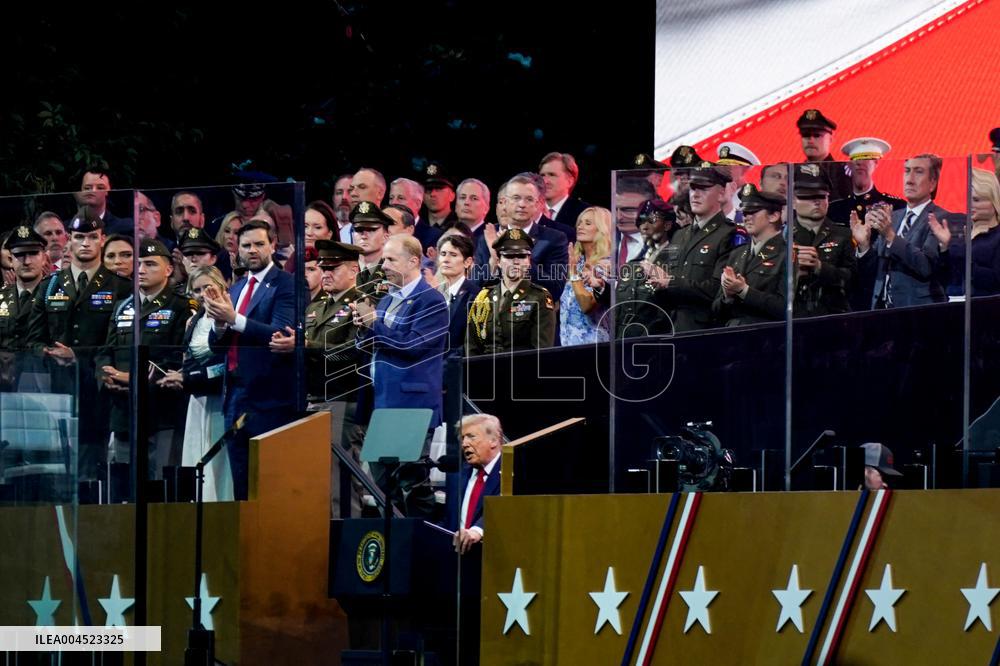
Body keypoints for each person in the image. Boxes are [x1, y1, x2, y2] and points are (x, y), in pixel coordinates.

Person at [26, 213, 132, 480]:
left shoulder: (120, 286)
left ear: (102, 240)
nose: (85, 243)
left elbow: (120, 342)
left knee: (95, 468)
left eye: (92, 237)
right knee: (61, 469)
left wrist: (78, 355)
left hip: (100, 390)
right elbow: (32, 339)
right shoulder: (50, 285)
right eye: (79, 237)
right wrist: (48, 353)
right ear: (69, 242)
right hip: (58, 388)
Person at [350, 234, 449, 516]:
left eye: (391, 259)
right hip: (383, 403)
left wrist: (373, 324)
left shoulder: (430, 301)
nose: (384, 265)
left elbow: (411, 346)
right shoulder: (386, 300)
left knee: (411, 483)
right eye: (383, 259)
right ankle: (396, 544)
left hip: (411, 406)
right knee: (382, 485)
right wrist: (363, 328)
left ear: (414, 261)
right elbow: (373, 344)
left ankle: (424, 543)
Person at [204, 219, 296, 500]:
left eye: (259, 244)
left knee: (269, 482)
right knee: (241, 482)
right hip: (234, 394)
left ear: (273, 246)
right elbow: (216, 344)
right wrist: (220, 324)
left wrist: (234, 319)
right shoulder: (236, 287)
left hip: (269, 398)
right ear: (237, 250)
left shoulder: (286, 284)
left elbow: (280, 333)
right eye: (246, 245)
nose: (252, 250)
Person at [98, 240, 194, 481]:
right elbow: (106, 350)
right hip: (124, 410)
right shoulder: (122, 307)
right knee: (124, 486)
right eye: (138, 264)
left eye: (150, 264)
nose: (140, 270)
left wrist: (134, 379)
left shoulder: (181, 306)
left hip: (161, 411)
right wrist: (105, 375)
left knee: (160, 485)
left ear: (169, 269)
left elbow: (177, 358)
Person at [158, 265, 232, 501]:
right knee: (195, 458)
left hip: (219, 401)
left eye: (207, 287)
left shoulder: (231, 316)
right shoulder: (195, 319)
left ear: (221, 285)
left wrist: (190, 378)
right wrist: (178, 374)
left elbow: (228, 365)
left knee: (217, 467)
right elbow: (190, 359)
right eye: (197, 290)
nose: (202, 294)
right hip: (197, 401)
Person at [853, 154, 951, 309]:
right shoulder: (894, 217)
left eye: (918, 172)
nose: (909, 179)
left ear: (933, 182)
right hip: (882, 311)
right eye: (906, 171)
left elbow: (926, 267)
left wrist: (891, 236)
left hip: (918, 314)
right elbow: (874, 269)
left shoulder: (940, 218)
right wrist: (864, 245)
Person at [646, 163, 736, 332]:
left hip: (705, 331)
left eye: (703, 188)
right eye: (693, 188)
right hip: (672, 328)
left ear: (722, 192)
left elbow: (717, 291)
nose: (695, 194)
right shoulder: (680, 235)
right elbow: (667, 285)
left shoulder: (729, 234)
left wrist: (669, 282)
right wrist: (656, 284)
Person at [473, 174, 569, 303]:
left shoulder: (554, 239)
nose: (522, 204)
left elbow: (555, 290)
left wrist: (520, 254)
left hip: (535, 318)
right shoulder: (487, 237)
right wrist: (494, 259)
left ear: (537, 204)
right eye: (516, 198)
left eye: (529, 199)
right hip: (494, 317)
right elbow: (474, 288)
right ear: (505, 203)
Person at [467, 228, 556, 355]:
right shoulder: (484, 297)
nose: (516, 261)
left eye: (521, 256)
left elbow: (542, 350)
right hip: (485, 371)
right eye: (509, 256)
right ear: (498, 261)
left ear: (528, 261)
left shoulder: (539, 297)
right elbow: (471, 346)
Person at [713, 184, 787, 326]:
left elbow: (786, 308)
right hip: (731, 335)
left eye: (753, 212)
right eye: (745, 213)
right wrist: (727, 296)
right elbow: (715, 310)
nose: (746, 217)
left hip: (766, 338)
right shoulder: (737, 253)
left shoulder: (786, 254)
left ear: (774, 215)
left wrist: (744, 291)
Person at [790, 165, 856, 316]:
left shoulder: (843, 235)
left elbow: (853, 281)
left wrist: (820, 268)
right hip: (792, 318)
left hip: (832, 317)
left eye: (822, 196)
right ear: (793, 201)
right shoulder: (782, 237)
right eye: (807, 196)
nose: (816, 202)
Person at [933, 168, 1000, 297]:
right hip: (962, 309)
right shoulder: (965, 234)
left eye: (976, 200)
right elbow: (946, 279)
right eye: (968, 199)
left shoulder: (997, 237)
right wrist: (944, 247)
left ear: (994, 201)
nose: (970, 204)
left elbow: (995, 280)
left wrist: (964, 260)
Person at [616, 199, 676, 338]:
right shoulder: (633, 264)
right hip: (624, 340)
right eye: (641, 222)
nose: (644, 226)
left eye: (651, 221)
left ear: (667, 225)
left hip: (657, 341)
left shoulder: (676, 261)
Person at [560, 207, 612, 346]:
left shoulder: (607, 264)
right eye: (580, 223)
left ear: (602, 229)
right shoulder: (577, 262)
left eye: (588, 223)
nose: (580, 226)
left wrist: (573, 272)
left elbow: (587, 306)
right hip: (567, 344)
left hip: (595, 345)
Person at [454, 413, 503, 555]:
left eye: (471, 436)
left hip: (492, 556)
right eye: (462, 438)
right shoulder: (459, 475)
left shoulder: (509, 472)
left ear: (493, 440)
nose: (464, 444)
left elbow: (500, 509)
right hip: (457, 559)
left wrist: (477, 530)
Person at [827, 138, 905, 225]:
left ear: (876, 163)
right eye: (856, 159)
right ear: (849, 164)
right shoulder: (834, 209)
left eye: (866, 158)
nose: (860, 163)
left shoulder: (896, 206)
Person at [1, 226, 49, 352]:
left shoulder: (53, 295)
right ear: (11, 260)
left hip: (42, 368)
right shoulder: (1, 296)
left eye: (33, 253)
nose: (27, 261)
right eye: (19, 254)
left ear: (44, 258)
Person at [795, 109, 853, 201]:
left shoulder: (842, 173)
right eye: (805, 135)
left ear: (830, 139)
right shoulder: (794, 172)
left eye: (817, 135)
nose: (810, 140)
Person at [435, 233, 477, 356]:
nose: (446, 259)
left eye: (453, 255)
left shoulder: (476, 296)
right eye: (443, 254)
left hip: (457, 368)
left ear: (467, 262)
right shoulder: (432, 295)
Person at [539, 152, 589, 240]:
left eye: (552, 175)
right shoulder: (531, 210)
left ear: (569, 181)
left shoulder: (585, 213)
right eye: (542, 175)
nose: (544, 181)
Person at [351, 202, 392, 302]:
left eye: (371, 229)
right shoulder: (342, 269)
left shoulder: (394, 270)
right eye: (358, 229)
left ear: (386, 235)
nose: (363, 235)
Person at [73, 167, 133, 235]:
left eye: (100, 188)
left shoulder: (125, 227)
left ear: (108, 191)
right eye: (87, 188)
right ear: (81, 190)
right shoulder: (66, 227)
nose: (93, 191)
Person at [283, 200, 338, 274]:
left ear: (329, 234)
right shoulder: (292, 261)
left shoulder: (339, 265)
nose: (309, 233)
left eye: (317, 227)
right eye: (305, 226)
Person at [388, 177, 442, 253]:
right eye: (391, 198)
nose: (393, 203)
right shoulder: (381, 231)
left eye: (400, 198)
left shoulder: (434, 237)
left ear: (417, 204)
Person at [614, 178, 657, 267]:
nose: (618, 217)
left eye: (628, 210)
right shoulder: (604, 239)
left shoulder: (665, 243)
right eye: (615, 209)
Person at [422, 163, 458, 229]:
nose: (432, 194)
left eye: (439, 189)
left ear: (452, 196)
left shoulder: (460, 225)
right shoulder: (415, 224)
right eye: (428, 189)